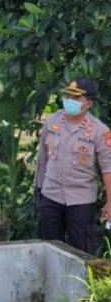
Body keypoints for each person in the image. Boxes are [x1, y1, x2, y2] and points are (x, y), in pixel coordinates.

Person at [35, 78, 111, 254]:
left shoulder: (99, 131)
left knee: (81, 251)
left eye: (76, 98)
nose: (69, 100)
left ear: (88, 103)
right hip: (50, 195)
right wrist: (38, 189)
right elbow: (43, 159)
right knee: (47, 248)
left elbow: (108, 168)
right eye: (68, 95)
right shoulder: (52, 121)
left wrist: (110, 202)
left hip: (81, 199)